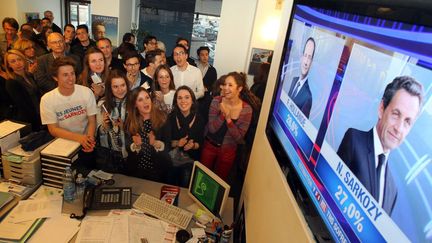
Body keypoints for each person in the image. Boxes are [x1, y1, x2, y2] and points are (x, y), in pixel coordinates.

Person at [337, 76, 424, 216]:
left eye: (407, 122)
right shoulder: (354, 140)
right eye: (396, 114)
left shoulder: (392, 190)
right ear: (381, 109)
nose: (399, 128)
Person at [40, 56, 97, 172]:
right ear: (55, 77)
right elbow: (53, 129)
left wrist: (89, 140)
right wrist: (79, 138)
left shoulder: (86, 92)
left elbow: (92, 120)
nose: (71, 78)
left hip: (86, 142)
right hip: (63, 146)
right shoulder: (47, 99)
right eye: (65, 75)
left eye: (72, 74)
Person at [200, 72, 255, 180]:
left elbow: (239, 139)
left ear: (239, 89)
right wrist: (222, 115)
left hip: (228, 151)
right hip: (209, 145)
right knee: (202, 177)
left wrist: (228, 119)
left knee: (219, 182)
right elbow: (212, 128)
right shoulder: (216, 101)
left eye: (230, 85)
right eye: (225, 84)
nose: (225, 88)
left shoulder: (246, 110)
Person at [124, 87, 171, 182]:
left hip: (158, 171)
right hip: (136, 171)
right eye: (140, 100)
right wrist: (136, 146)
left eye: (147, 98)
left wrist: (156, 144)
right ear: (135, 105)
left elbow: (168, 146)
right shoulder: (130, 121)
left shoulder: (163, 118)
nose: (145, 102)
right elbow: (128, 146)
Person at [167, 86, 205, 187]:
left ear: (192, 100)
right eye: (180, 98)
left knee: (185, 182)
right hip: (172, 158)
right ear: (176, 101)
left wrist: (193, 146)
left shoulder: (200, 119)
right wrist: (177, 143)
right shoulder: (170, 118)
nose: (183, 101)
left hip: (190, 159)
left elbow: (200, 144)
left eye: (187, 97)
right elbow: (166, 142)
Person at [96, 70, 130, 173]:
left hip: (130, 152)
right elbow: (98, 132)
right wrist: (104, 126)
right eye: (115, 86)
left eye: (122, 85)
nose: (120, 90)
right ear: (110, 88)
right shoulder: (102, 103)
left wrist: (124, 127)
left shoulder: (134, 101)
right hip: (108, 154)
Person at [4, 50, 41, 131]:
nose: (17, 63)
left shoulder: (29, 75)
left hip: (40, 113)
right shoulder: (11, 82)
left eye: (19, 59)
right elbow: (23, 106)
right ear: (9, 65)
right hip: (30, 120)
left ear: (24, 60)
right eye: (13, 61)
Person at [285, 37, 315, 118]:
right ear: (301, 58)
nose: (306, 62)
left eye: (309, 57)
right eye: (305, 56)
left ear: (311, 62)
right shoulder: (293, 80)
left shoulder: (308, 97)